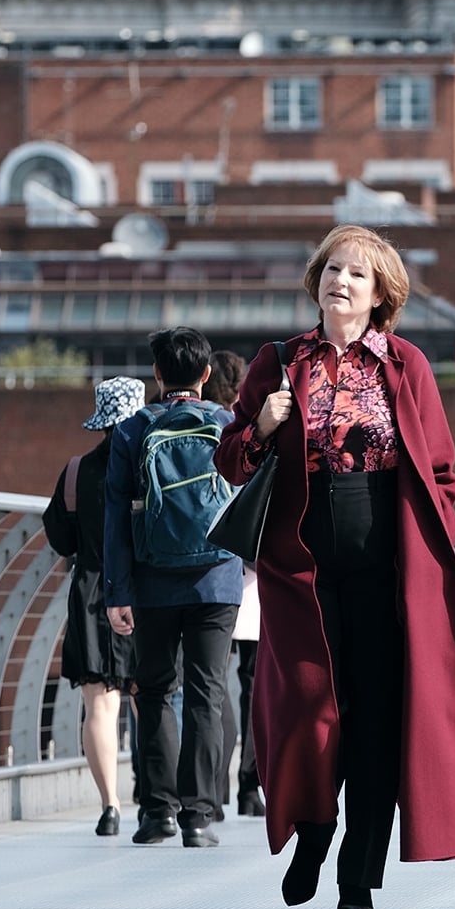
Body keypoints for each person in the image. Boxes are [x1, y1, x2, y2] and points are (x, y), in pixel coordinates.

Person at [215, 224, 455, 909]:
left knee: (379, 724)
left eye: (358, 273)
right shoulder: (280, 361)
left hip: (388, 569)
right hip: (302, 568)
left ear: (381, 292)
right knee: (310, 711)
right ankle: (315, 831)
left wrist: (432, 544)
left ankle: (358, 878)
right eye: (333, 269)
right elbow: (230, 461)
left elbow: (441, 472)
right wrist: (260, 427)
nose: (341, 281)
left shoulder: (407, 364)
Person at [104, 327, 243, 848]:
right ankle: (198, 817)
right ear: (206, 374)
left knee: (156, 691)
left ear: (157, 374)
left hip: (152, 580)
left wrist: (117, 592)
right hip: (217, 579)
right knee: (207, 693)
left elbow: (116, 518)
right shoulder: (227, 424)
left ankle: (157, 813)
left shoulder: (132, 430)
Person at [42, 376, 145, 838]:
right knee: (150, 699)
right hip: (141, 591)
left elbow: (61, 540)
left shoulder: (75, 471)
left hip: (90, 593)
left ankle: (110, 807)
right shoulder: (149, 465)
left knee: (99, 706)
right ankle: (156, 797)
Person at [206, 348, 265, 817]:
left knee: (212, 683)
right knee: (254, 686)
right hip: (257, 577)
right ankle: (250, 787)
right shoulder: (251, 433)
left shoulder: (210, 430)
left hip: (213, 573)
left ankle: (214, 788)